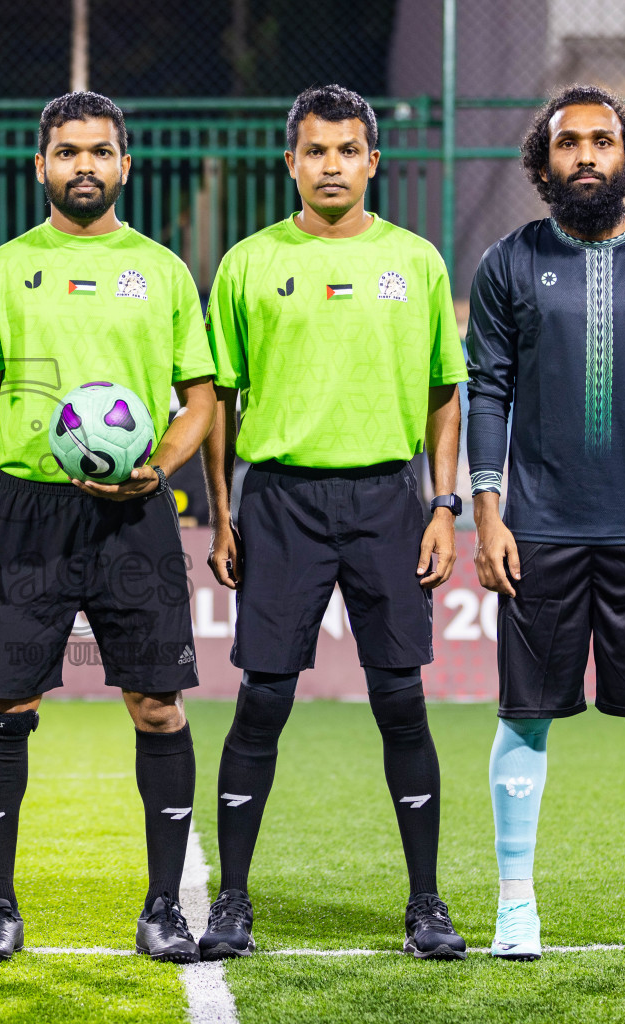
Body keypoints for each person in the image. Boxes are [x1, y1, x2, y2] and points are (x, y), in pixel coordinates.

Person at [198, 84, 469, 961]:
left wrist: (441, 503)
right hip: (279, 501)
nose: (331, 166)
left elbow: (442, 394)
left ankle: (426, 903)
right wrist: (225, 513)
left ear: (372, 161)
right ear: (291, 162)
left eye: (348, 150)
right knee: (263, 699)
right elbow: (219, 400)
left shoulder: (416, 262)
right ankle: (232, 901)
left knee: (400, 699)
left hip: (389, 501)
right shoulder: (246, 263)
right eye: (315, 151)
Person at [0, 90, 217, 964]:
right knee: (5, 705)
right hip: (24, 513)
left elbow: (202, 399)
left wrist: (162, 466)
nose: (85, 166)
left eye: (100, 152)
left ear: (125, 164)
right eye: (68, 152)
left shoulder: (165, 270)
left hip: (134, 515)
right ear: (42, 166)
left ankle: (163, 909)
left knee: (156, 705)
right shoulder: (3, 269)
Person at [467, 84, 625, 962]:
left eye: (601, 142)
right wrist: (488, 513)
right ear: (543, 161)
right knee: (524, 717)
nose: (584, 156)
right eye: (567, 143)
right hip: (537, 529)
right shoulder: (506, 262)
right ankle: (514, 905)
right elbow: (487, 391)